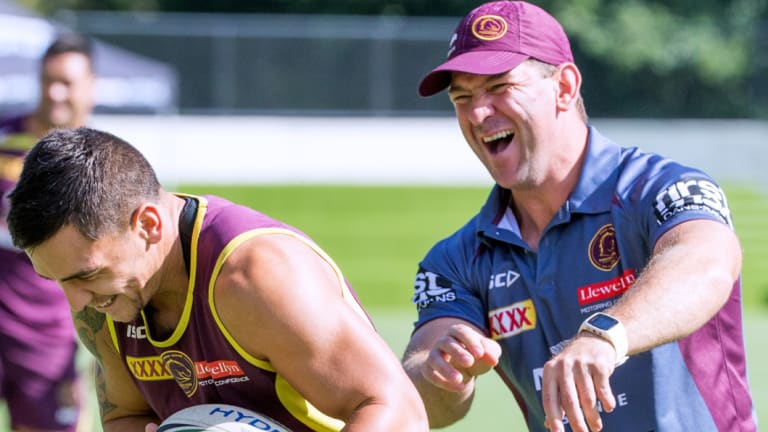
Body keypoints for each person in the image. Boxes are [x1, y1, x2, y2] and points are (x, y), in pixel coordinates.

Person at [401, 2, 757, 432]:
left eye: (500, 87)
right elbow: (425, 397)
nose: (478, 113)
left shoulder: (662, 188)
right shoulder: (455, 261)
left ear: (565, 86)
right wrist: (442, 372)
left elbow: (706, 264)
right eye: (463, 97)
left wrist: (606, 335)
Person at [6, 127, 429, 432]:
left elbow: (398, 410)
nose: (75, 303)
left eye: (87, 274)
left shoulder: (255, 278)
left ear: (148, 225)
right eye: (56, 280)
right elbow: (125, 415)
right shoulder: (101, 301)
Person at [0, 33, 96, 432]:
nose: (55, 93)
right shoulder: (5, 138)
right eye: (47, 81)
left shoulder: (101, 162)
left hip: (50, 335)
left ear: (91, 87)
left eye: (67, 83)